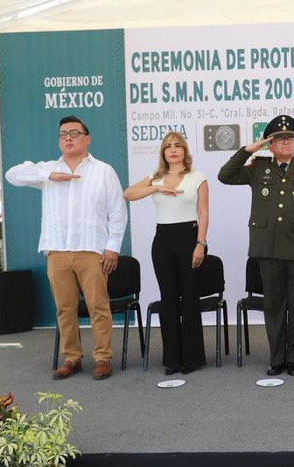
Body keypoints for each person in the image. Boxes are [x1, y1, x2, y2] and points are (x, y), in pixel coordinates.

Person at [5, 115, 127, 380]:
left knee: (98, 306)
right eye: (63, 135)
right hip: (57, 250)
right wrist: (49, 175)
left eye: (74, 133)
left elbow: (117, 212)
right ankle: (71, 358)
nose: (68, 138)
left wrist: (112, 247)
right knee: (64, 308)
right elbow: (12, 174)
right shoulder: (48, 170)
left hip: (91, 250)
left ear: (87, 138)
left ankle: (103, 358)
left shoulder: (103, 171)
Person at [218, 115, 294, 377]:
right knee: (274, 306)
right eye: (279, 139)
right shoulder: (258, 167)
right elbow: (224, 175)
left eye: (290, 139)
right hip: (267, 248)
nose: (286, 143)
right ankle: (277, 359)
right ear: (271, 144)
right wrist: (248, 150)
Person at [124, 131, 208, 375]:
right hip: (163, 240)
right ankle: (172, 358)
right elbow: (128, 193)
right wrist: (154, 188)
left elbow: (203, 213)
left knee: (190, 298)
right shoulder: (155, 177)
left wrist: (200, 243)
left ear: (185, 151)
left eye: (178, 145)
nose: (173, 149)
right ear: (163, 152)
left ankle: (192, 357)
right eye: (168, 146)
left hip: (189, 237)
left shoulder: (197, 177)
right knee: (168, 299)